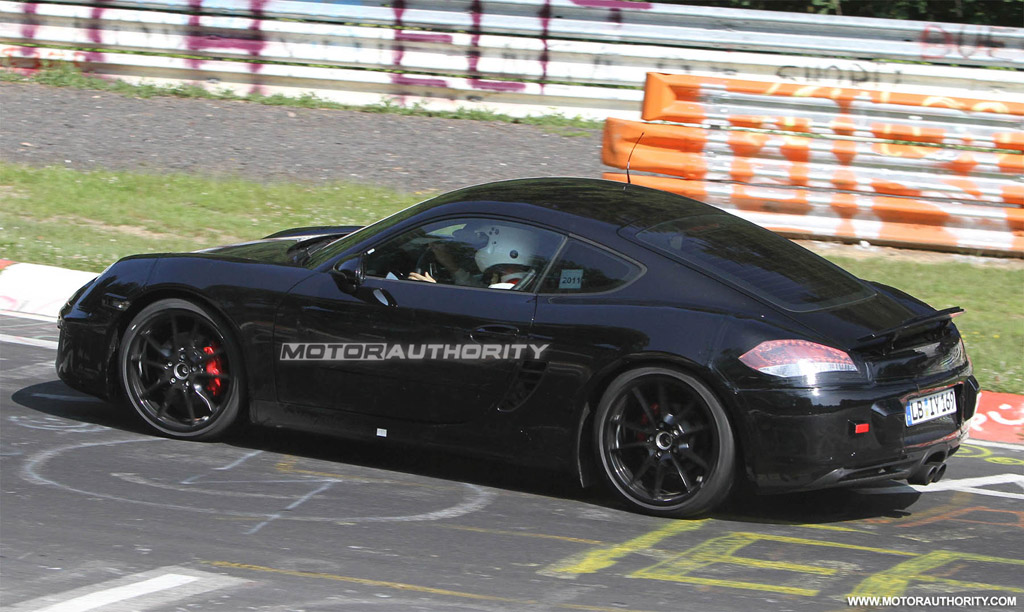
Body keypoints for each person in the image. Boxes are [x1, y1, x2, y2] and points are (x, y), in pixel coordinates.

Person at [408, 223, 539, 289]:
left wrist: (435, 290)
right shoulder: (520, 281)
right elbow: (479, 291)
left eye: (485, 241)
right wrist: (452, 267)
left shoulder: (506, 288)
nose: (479, 248)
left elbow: (469, 306)